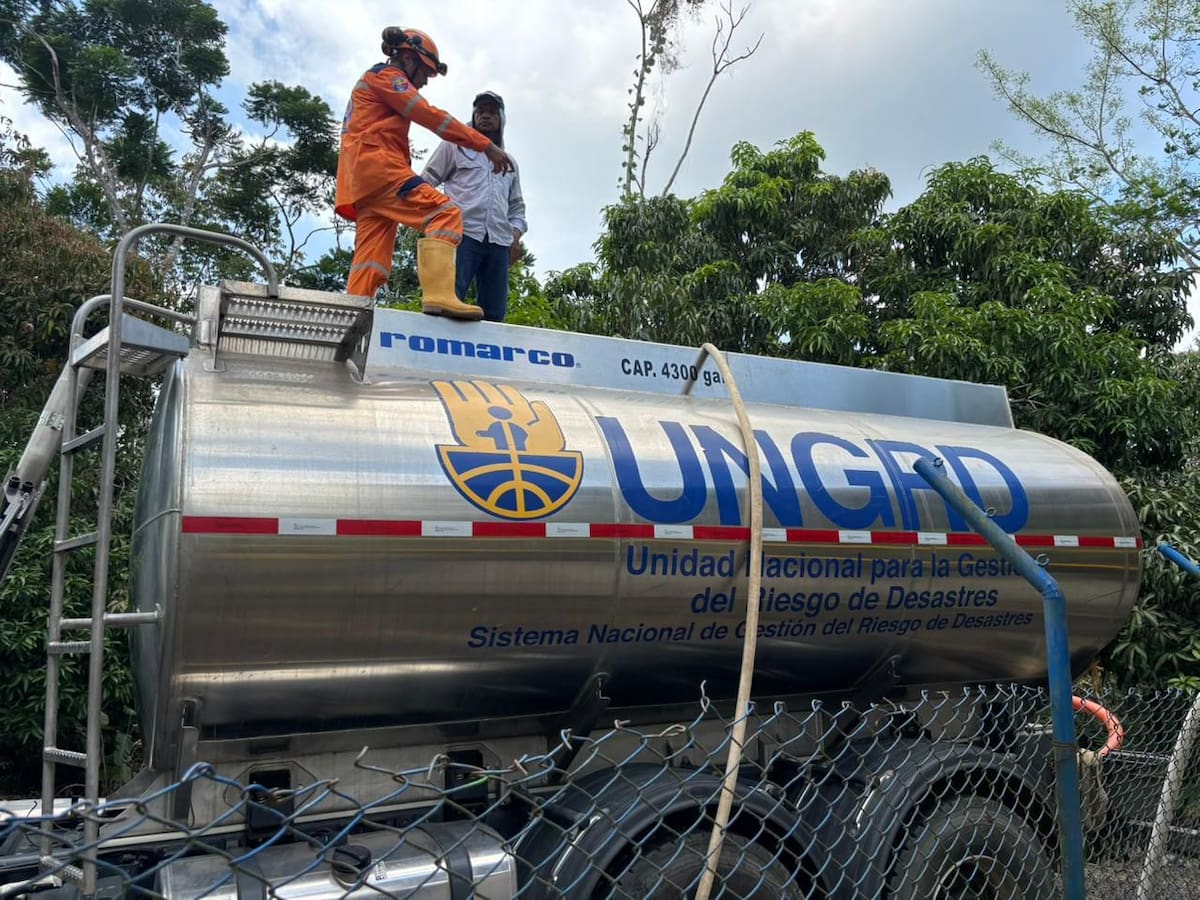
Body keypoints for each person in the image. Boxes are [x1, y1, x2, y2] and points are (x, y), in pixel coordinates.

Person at [335, 27, 513, 320]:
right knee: (445, 212)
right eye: (425, 73)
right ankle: (440, 296)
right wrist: (484, 146)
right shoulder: (387, 78)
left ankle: (351, 315)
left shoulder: (373, 81)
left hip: (362, 182)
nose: (423, 82)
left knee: (371, 260)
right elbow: (428, 115)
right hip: (380, 170)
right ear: (408, 57)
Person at [422, 91, 527, 322]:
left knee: (494, 315)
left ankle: (485, 357)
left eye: (491, 112)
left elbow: (517, 209)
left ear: (501, 119)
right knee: (445, 302)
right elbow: (426, 182)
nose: (485, 116)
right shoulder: (453, 146)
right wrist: (438, 218)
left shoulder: (510, 163)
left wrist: (516, 236)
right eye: (480, 111)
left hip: (499, 242)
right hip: (461, 234)